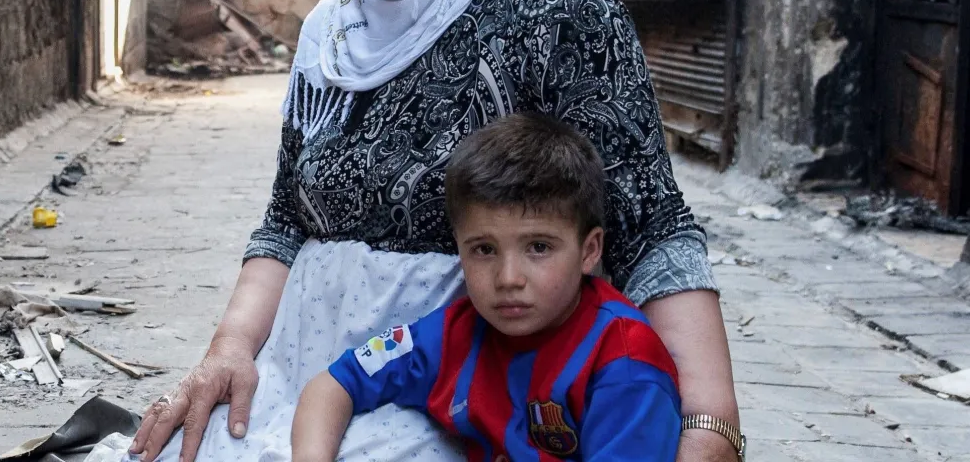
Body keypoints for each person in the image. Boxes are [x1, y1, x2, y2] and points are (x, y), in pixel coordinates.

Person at [129, 0, 742, 462]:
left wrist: (709, 419)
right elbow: (286, 219)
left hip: (470, 391)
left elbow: (647, 223)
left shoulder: (560, 9)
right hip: (311, 381)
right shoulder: (333, 28)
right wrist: (229, 352)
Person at [291, 113, 681, 462]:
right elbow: (335, 383)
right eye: (484, 249)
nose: (508, 278)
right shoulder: (451, 335)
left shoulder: (623, 361)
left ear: (589, 250)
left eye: (539, 247)